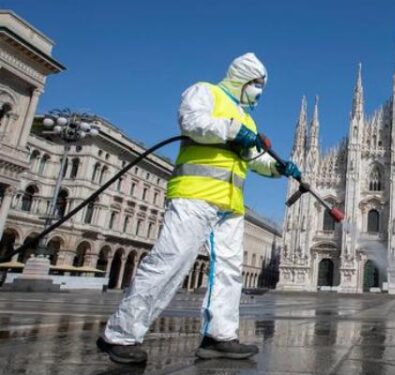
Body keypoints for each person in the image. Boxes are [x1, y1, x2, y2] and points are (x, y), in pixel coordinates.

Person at [96, 53, 301, 364]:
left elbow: (252, 158)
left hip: (230, 205)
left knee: (229, 273)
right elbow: (192, 123)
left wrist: (277, 168)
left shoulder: (246, 118)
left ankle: (220, 336)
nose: (259, 92)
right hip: (194, 195)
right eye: (257, 84)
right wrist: (232, 130)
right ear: (242, 79)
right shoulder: (206, 92)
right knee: (170, 262)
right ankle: (120, 335)